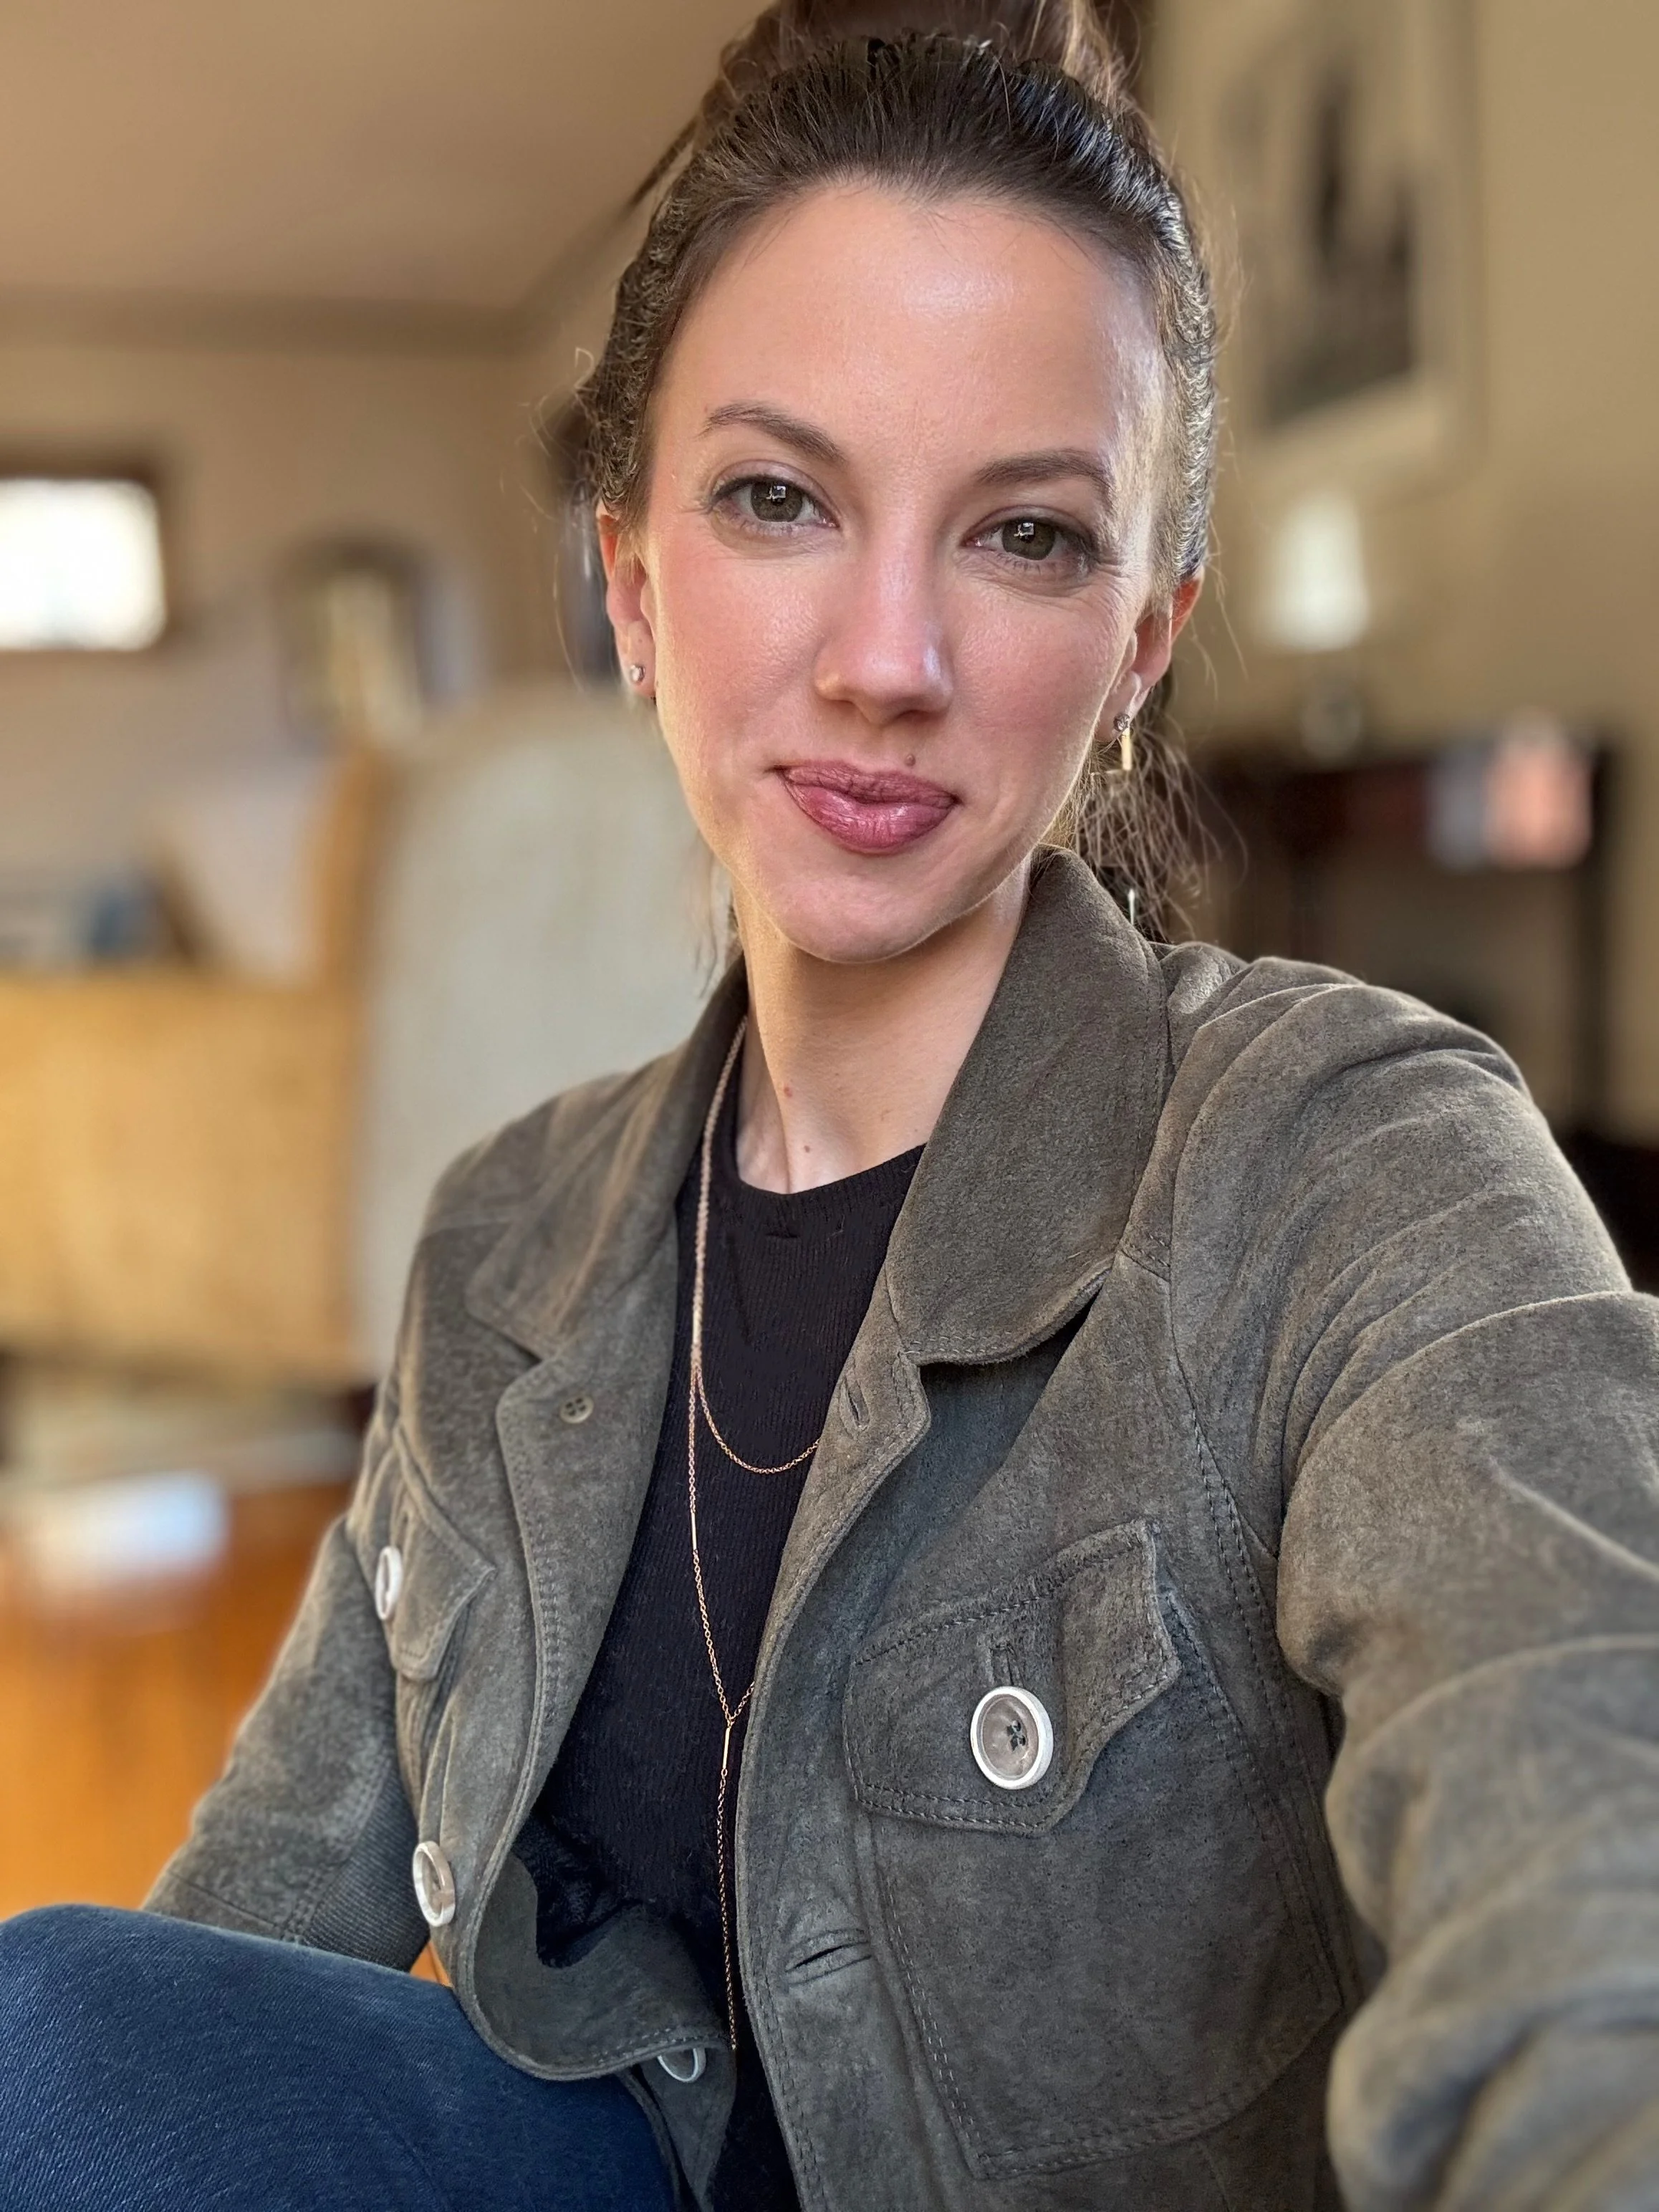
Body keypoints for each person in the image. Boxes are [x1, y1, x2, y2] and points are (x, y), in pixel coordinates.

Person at [4, 4, 1658, 2208]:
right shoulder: (504, 1235)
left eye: (1024, 535)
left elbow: (1593, 1891)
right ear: (631, 587)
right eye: (777, 499)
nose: (887, 656)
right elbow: (230, 1962)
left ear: (1141, 638)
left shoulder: (1350, 1165)